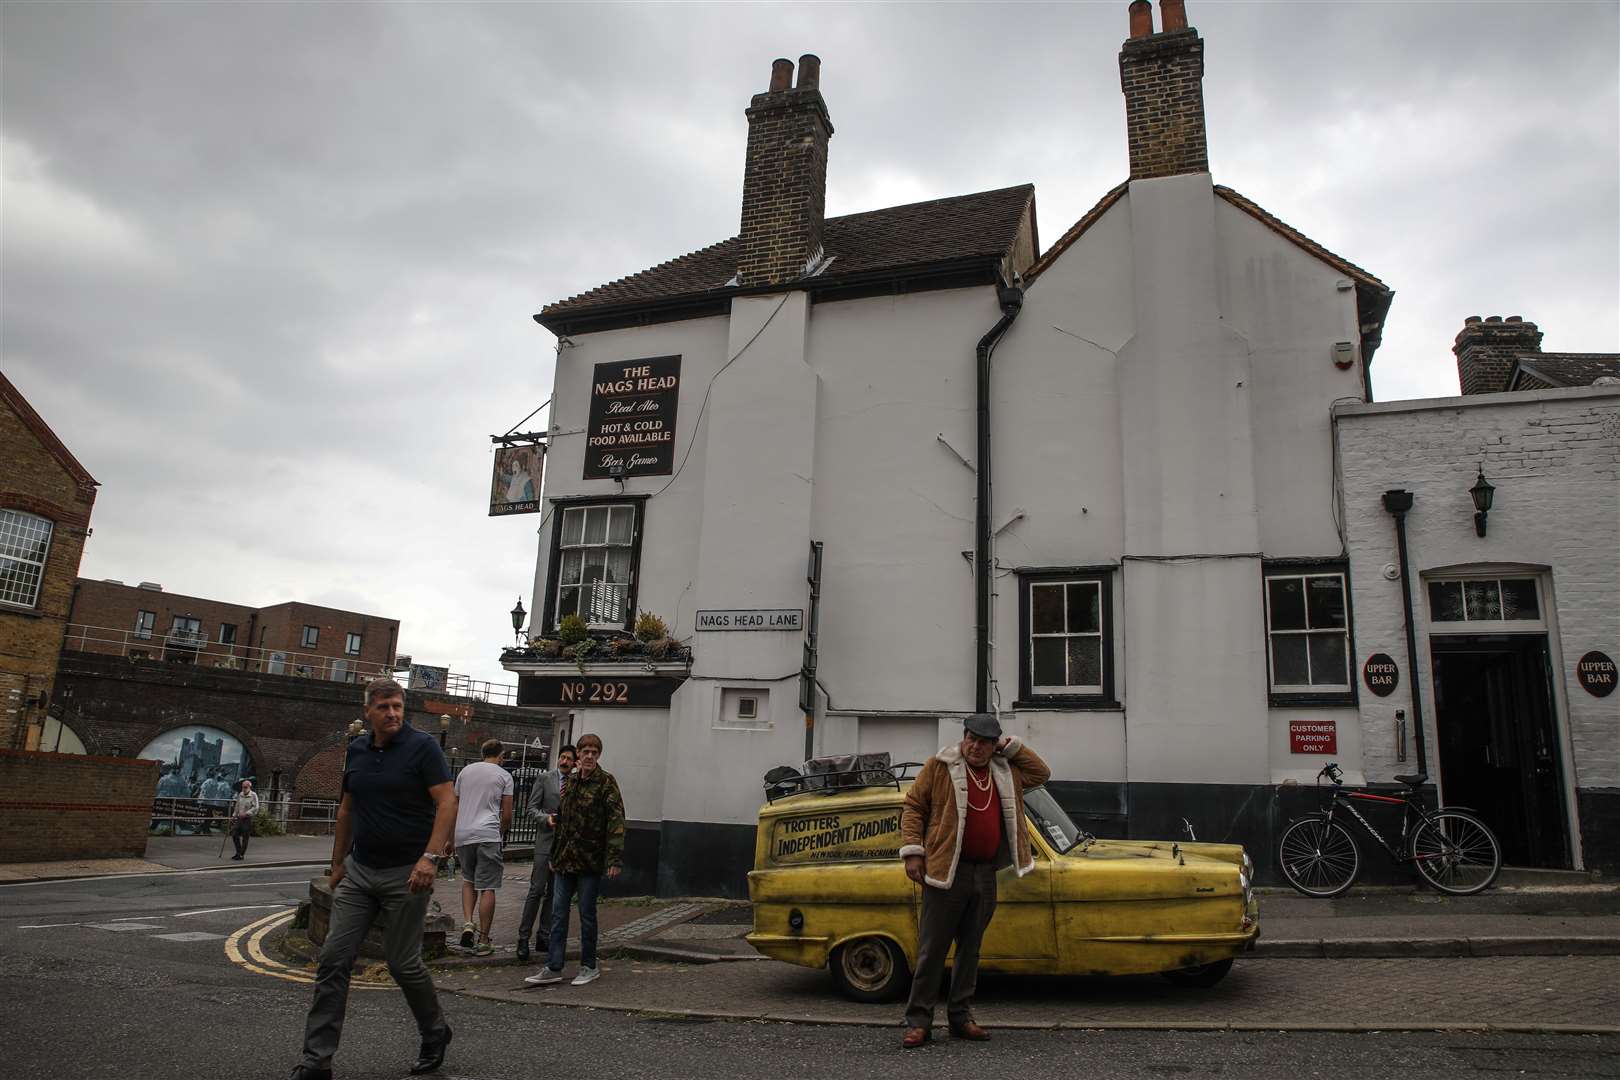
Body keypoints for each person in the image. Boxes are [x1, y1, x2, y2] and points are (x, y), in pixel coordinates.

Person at [289, 677, 457, 1080]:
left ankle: (435, 1031)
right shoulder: (358, 749)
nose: (392, 713)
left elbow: (447, 801)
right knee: (333, 958)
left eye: (398, 706)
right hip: (361, 872)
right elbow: (347, 809)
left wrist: (429, 858)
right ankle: (317, 1061)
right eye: (384, 707)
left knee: (402, 963)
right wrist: (337, 863)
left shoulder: (423, 747)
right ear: (368, 712)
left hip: (407, 874)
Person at [897, 714, 1050, 1048]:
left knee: (970, 950)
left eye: (985, 742)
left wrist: (1012, 748)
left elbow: (1042, 774)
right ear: (964, 737)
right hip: (945, 872)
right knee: (932, 951)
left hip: (986, 872)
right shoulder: (940, 766)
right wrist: (913, 852)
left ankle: (961, 1018)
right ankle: (919, 1022)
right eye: (972, 739)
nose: (977, 747)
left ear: (994, 744)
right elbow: (913, 807)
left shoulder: (1004, 770)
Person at [523, 732, 623, 988]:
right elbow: (563, 820)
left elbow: (615, 821)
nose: (589, 756)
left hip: (590, 860)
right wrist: (555, 855)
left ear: (599, 755)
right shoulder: (570, 782)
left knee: (587, 913)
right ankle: (554, 965)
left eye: (594, 752)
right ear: (578, 754)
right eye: (585, 751)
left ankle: (589, 965)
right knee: (558, 913)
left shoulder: (606, 783)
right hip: (565, 859)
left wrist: (614, 858)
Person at [515, 744, 576, 963]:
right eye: (562, 757)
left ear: (574, 763)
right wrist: (545, 819)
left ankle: (544, 935)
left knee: (555, 892)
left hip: (564, 846)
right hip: (545, 842)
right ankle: (523, 938)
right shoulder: (545, 779)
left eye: (569, 759)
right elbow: (531, 808)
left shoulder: (575, 783)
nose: (565, 761)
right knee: (537, 889)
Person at [453, 739, 514, 956]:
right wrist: (501, 832)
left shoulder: (464, 772)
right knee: (488, 886)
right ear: (500, 756)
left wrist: (450, 836)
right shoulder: (503, 775)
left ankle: (468, 923)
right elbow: (507, 814)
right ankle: (484, 939)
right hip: (487, 833)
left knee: (468, 880)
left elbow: (454, 804)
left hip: (463, 833)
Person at [228, 778, 260, 860]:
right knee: (234, 834)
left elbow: (255, 807)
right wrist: (233, 816)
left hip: (247, 819)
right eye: (243, 787)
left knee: (245, 837)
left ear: (249, 787)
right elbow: (237, 806)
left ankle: (241, 854)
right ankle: (238, 852)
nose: (244, 789)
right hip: (239, 818)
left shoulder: (253, 795)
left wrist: (246, 813)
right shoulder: (240, 794)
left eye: (246, 787)